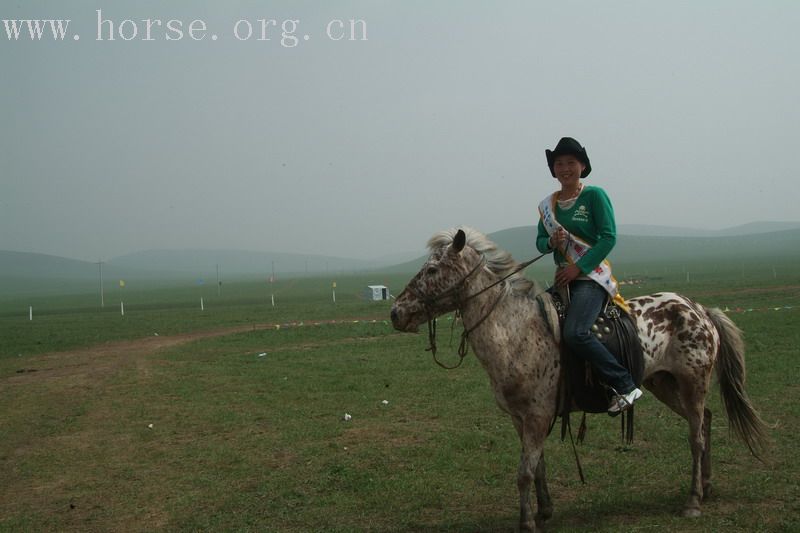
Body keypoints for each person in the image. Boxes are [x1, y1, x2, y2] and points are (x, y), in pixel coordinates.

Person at [535, 137, 642, 414]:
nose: (565, 168)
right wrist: (551, 243)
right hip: (562, 278)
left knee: (575, 332)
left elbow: (608, 238)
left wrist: (578, 268)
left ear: (582, 166)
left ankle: (625, 384)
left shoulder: (594, 196)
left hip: (590, 279)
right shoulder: (549, 206)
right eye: (559, 163)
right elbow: (538, 241)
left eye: (571, 162)